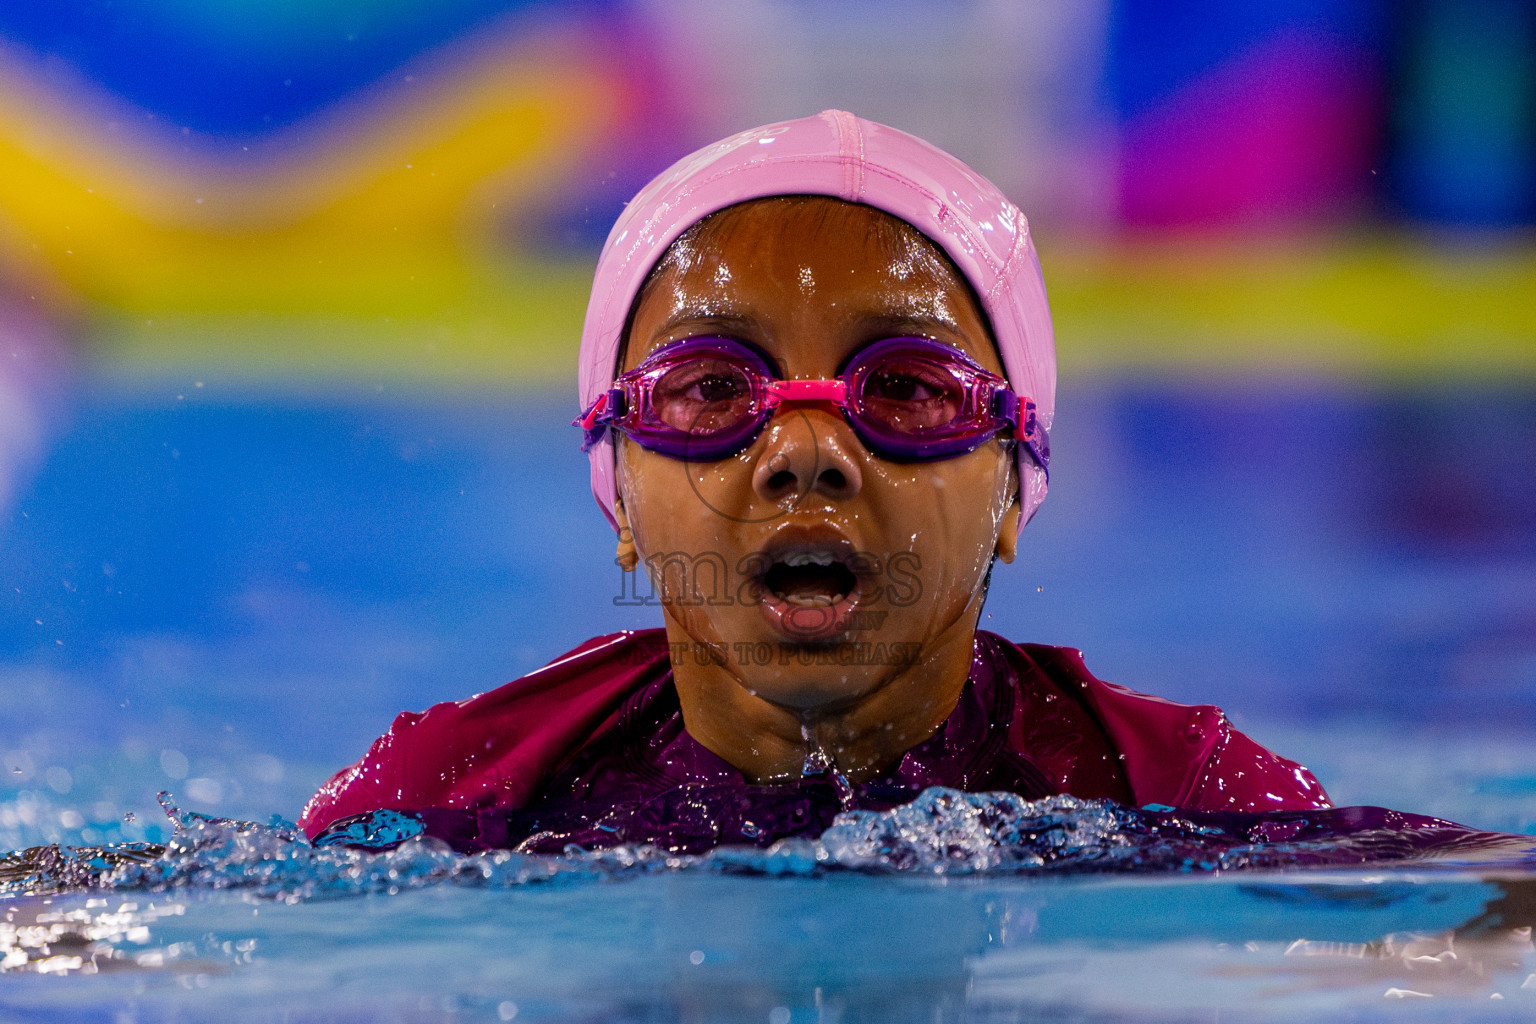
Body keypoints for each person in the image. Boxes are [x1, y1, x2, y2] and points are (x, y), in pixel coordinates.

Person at [299, 111, 1331, 855]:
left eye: (906, 390)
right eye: (710, 389)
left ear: (1014, 489)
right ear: (618, 491)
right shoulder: (456, 793)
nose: (806, 447)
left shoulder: (1187, 792)